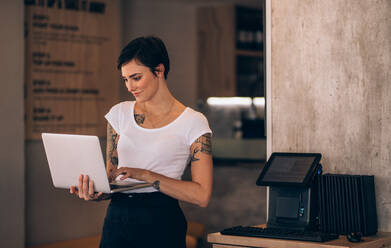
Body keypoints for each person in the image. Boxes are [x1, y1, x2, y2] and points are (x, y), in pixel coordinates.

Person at [69, 36, 213, 248]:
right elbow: (111, 177)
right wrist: (95, 191)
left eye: (136, 78)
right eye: (125, 79)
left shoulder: (193, 122)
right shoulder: (118, 114)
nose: (130, 87)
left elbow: (202, 195)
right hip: (117, 221)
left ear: (159, 70)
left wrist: (144, 175)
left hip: (162, 222)